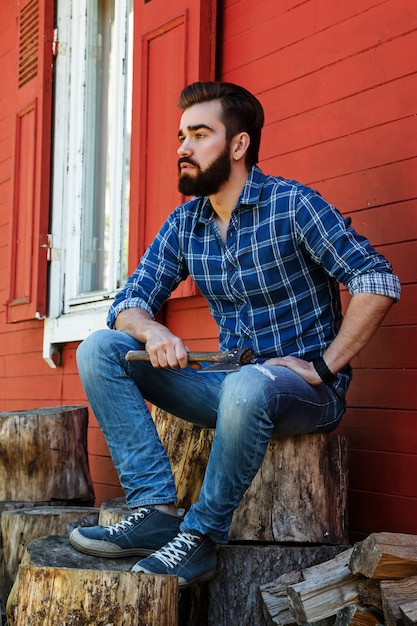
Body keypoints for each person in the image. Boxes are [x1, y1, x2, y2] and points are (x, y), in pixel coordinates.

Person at [69, 81, 401, 588]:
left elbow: (376, 281)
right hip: (227, 386)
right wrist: (153, 329)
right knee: (100, 349)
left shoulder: (292, 205)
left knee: (252, 383)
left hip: (304, 394)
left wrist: (323, 366)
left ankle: (200, 538)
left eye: (200, 135)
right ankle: (155, 506)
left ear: (239, 145)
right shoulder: (187, 223)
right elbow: (128, 302)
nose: (183, 147)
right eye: (182, 135)